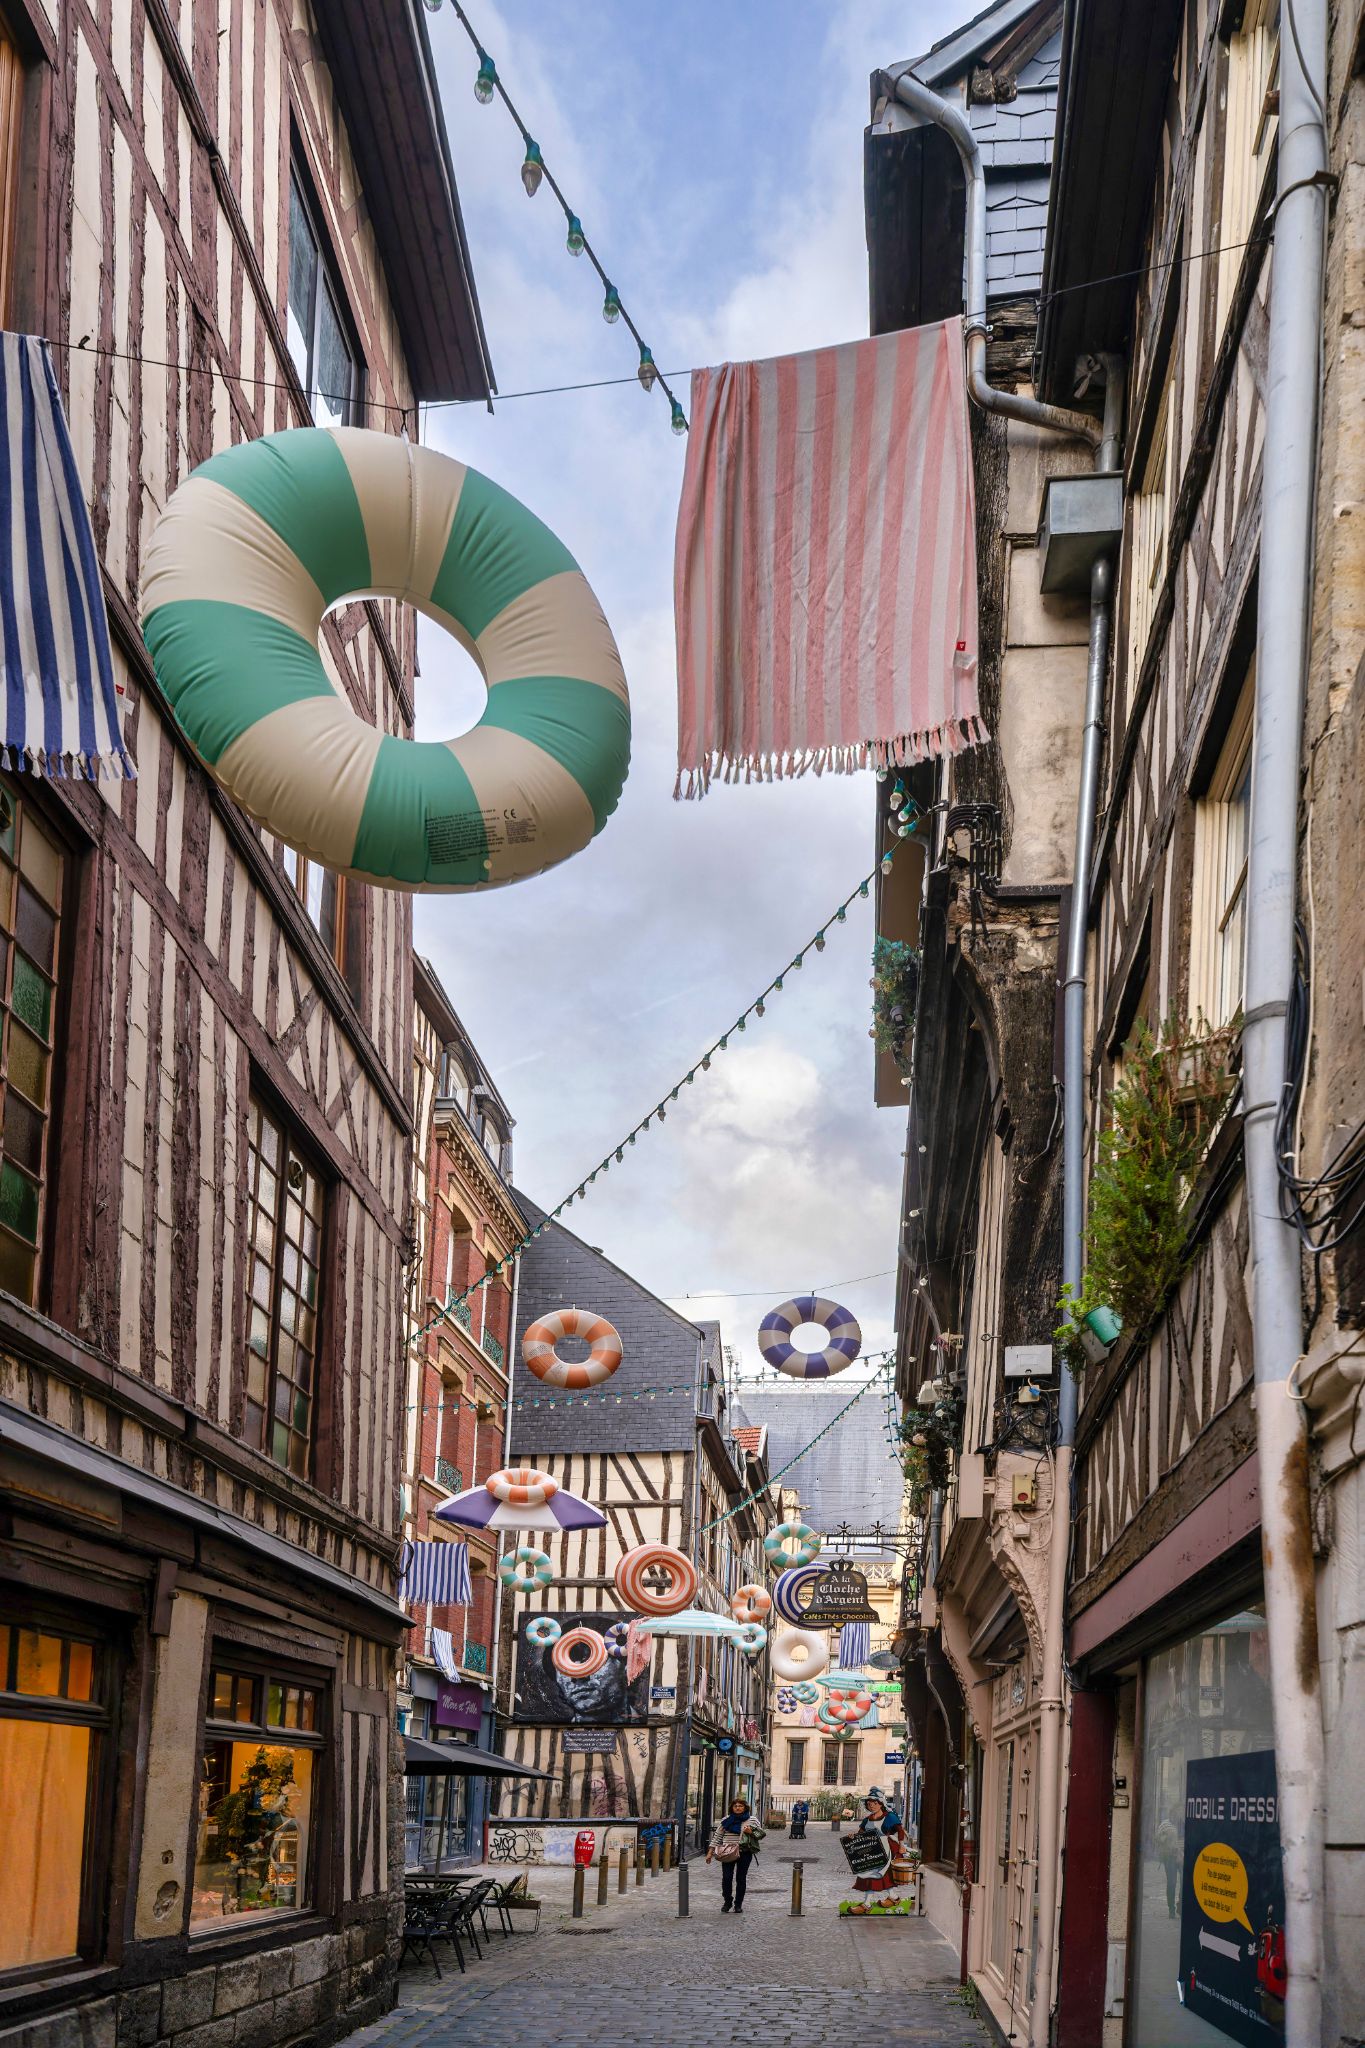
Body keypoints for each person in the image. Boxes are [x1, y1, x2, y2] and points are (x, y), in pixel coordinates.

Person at [706, 1797, 762, 1913]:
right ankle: (727, 1901)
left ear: (745, 1808)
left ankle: (738, 1904)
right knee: (727, 1878)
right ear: (732, 1808)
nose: (738, 1808)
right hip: (727, 1852)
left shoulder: (753, 1820)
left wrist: (750, 1832)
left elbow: (760, 1835)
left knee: (741, 1879)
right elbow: (717, 1837)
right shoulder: (726, 1820)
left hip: (744, 1852)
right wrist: (710, 1852)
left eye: (740, 1806)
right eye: (735, 1806)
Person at [852, 1794, 908, 1894]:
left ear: (881, 1804)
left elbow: (900, 1830)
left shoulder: (889, 1817)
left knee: (885, 1874)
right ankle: (868, 1903)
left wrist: (901, 1845)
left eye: (875, 1803)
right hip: (871, 1849)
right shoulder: (867, 1819)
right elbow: (861, 1832)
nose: (872, 1806)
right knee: (868, 1874)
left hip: (885, 1847)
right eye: (869, 1804)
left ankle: (892, 1897)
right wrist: (854, 1837)